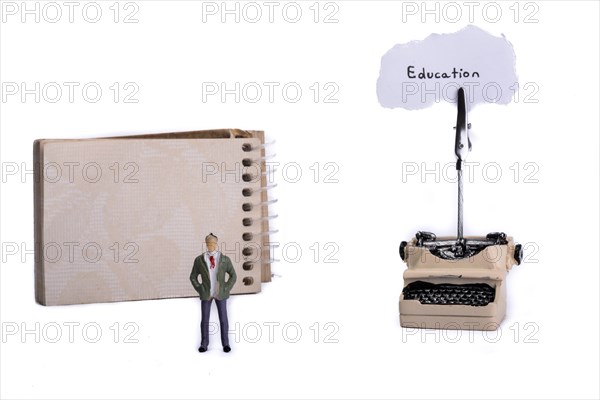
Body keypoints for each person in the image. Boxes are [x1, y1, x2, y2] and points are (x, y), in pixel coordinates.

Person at [189, 233, 237, 353]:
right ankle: (204, 344)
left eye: (213, 243)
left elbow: (233, 276)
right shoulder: (199, 260)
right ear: (205, 244)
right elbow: (193, 276)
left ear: (216, 244)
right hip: (206, 293)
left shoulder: (225, 260)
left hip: (220, 293)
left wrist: (226, 288)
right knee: (205, 319)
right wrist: (200, 289)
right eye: (208, 243)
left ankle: (225, 343)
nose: (211, 245)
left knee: (223, 319)